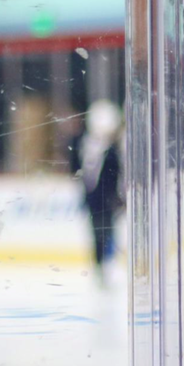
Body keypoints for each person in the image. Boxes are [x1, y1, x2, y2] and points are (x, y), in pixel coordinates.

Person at [73, 99, 122, 282]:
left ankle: (107, 265)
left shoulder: (114, 148)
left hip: (110, 200)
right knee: (98, 232)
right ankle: (101, 266)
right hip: (96, 199)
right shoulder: (84, 144)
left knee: (108, 232)